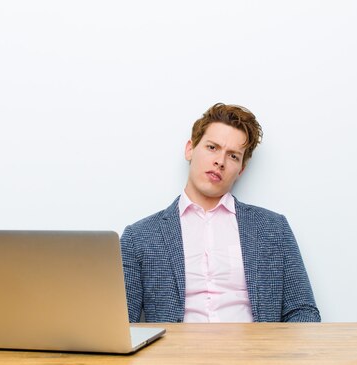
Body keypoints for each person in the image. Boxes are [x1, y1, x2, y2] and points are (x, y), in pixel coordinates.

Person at [121, 103, 320, 323]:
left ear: (241, 169)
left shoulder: (274, 229)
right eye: (212, 147)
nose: (220, 161)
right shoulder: (139, 237)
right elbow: (119, 325)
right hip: (175, 355)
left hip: (255, 355)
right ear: (190, 149)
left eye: (233, 156)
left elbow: (303, 312)